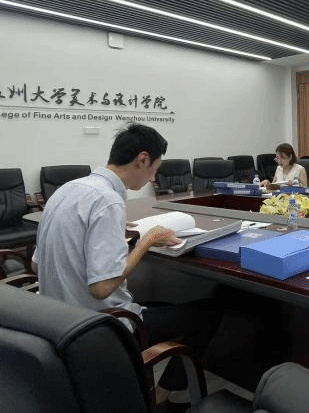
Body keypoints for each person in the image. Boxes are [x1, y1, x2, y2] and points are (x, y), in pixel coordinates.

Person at [31, 123, 223, 399]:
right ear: (142, 159)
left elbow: (37, 265)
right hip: (101, 326)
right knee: (210, 311)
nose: (152, 177)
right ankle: (161, 397)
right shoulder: (108, 200)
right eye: (155, 168)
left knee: (164, 306)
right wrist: (147, 241)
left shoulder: (67, 190)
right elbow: (101, 288)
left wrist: (111, 235)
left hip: (59, 322)